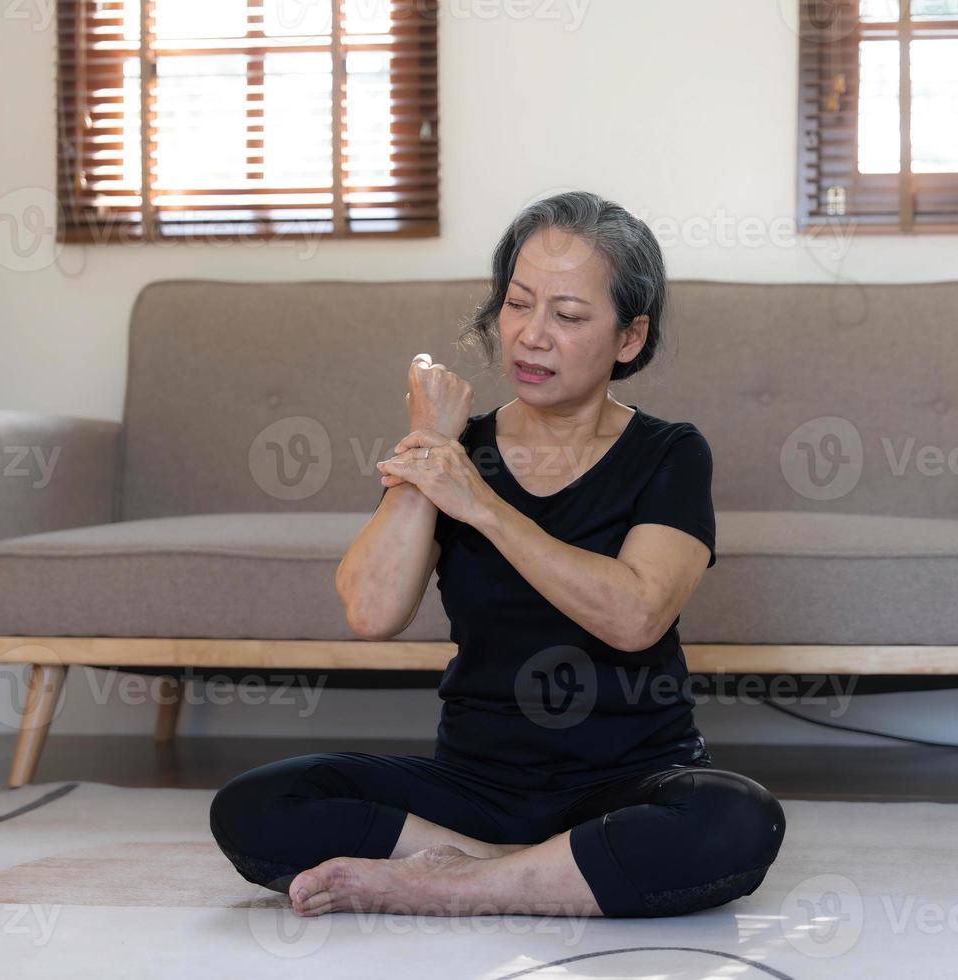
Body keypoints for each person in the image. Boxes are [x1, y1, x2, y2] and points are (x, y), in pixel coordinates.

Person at [208, 190, 786, 919]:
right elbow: (372, 610)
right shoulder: (457, 452)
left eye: (569, 316)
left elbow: (635, 615)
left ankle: (450, 883)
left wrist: (480, 503)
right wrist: (433, 455)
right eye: (518, 304)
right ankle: (537, 872)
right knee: (255, 805)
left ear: (629, 338)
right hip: (475, 790)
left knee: (737, 820)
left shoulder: (670, 454)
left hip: (630, 780)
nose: (530, 336)